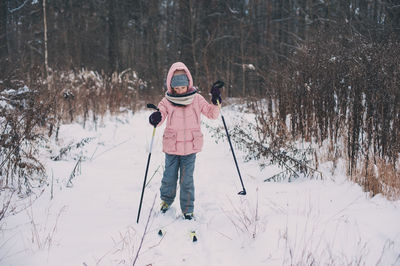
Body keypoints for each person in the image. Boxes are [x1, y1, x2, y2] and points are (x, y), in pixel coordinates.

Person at [148, 62, 223, 220]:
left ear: (188, 83)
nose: (180, 90)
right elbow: (160, 115)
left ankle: (188, 209)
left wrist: (216, 100)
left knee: (187, 179)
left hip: (190, 147)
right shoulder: (167, 100)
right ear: (171, 86)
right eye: (177, 87)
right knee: (169, 176)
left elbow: (212, 114)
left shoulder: (196, 99)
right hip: (172, 146)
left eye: (183, 87)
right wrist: (155, 118)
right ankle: (166, 201)